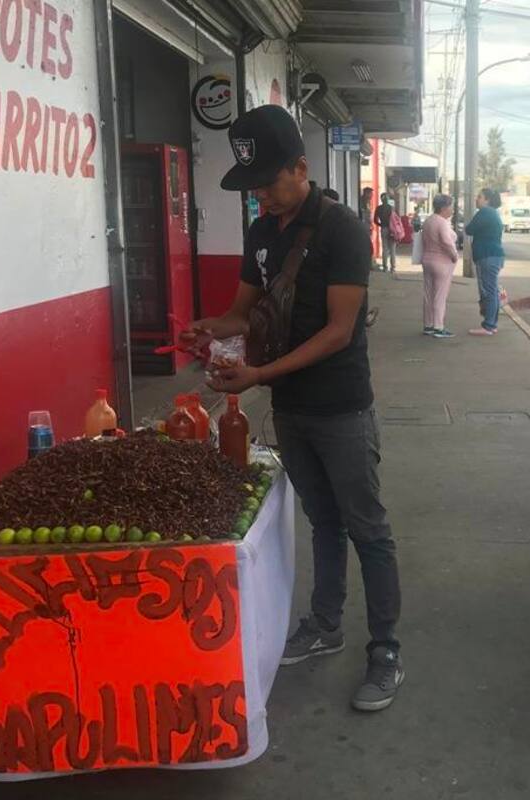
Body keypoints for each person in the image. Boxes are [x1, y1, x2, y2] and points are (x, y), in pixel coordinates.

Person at [186, 105, 404, 712]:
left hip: (340, 407)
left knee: (368, 528)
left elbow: (338, 331)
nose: (260, 198)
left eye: (269, 185)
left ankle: (385, 649)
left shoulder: (342, 230)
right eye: (252, 188)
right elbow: (241, 313)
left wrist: (257, 375)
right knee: (323, 521)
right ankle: (325, 625)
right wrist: (211, 330)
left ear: (301, 168)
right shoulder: (261, 234)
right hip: (292, 409)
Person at [464, 188, 506, 336]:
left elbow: (469, 229)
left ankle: (488, 325)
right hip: (493, 255)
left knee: (488, 291)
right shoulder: (493, 213)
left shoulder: (485, 212)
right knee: (492, 291)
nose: (477, 199)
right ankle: (491, 324)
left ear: (487, 200)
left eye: (479, 197)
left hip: (487, 256)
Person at [420, 194, 460, 338]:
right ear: (444, 208)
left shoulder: (428, 220)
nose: (452, 210)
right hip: (442, 262)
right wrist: (454, 255)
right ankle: (438, 327)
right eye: (451, 206)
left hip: (427, 260)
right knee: (440, 296)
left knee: (428, 294)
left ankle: (428, 325)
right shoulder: (442, 222)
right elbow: (446, 241)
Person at [375, 193, 397, 272]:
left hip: (383, 229)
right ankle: (393, 267)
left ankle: (385, 267)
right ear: (387, 199)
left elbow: (375, 220)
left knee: (385, 248)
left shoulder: (378, 208)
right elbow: (395, 220)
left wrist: (380, 224)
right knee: (392, 249)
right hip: (392, 230)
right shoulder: (391, 208)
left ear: (381, 199)